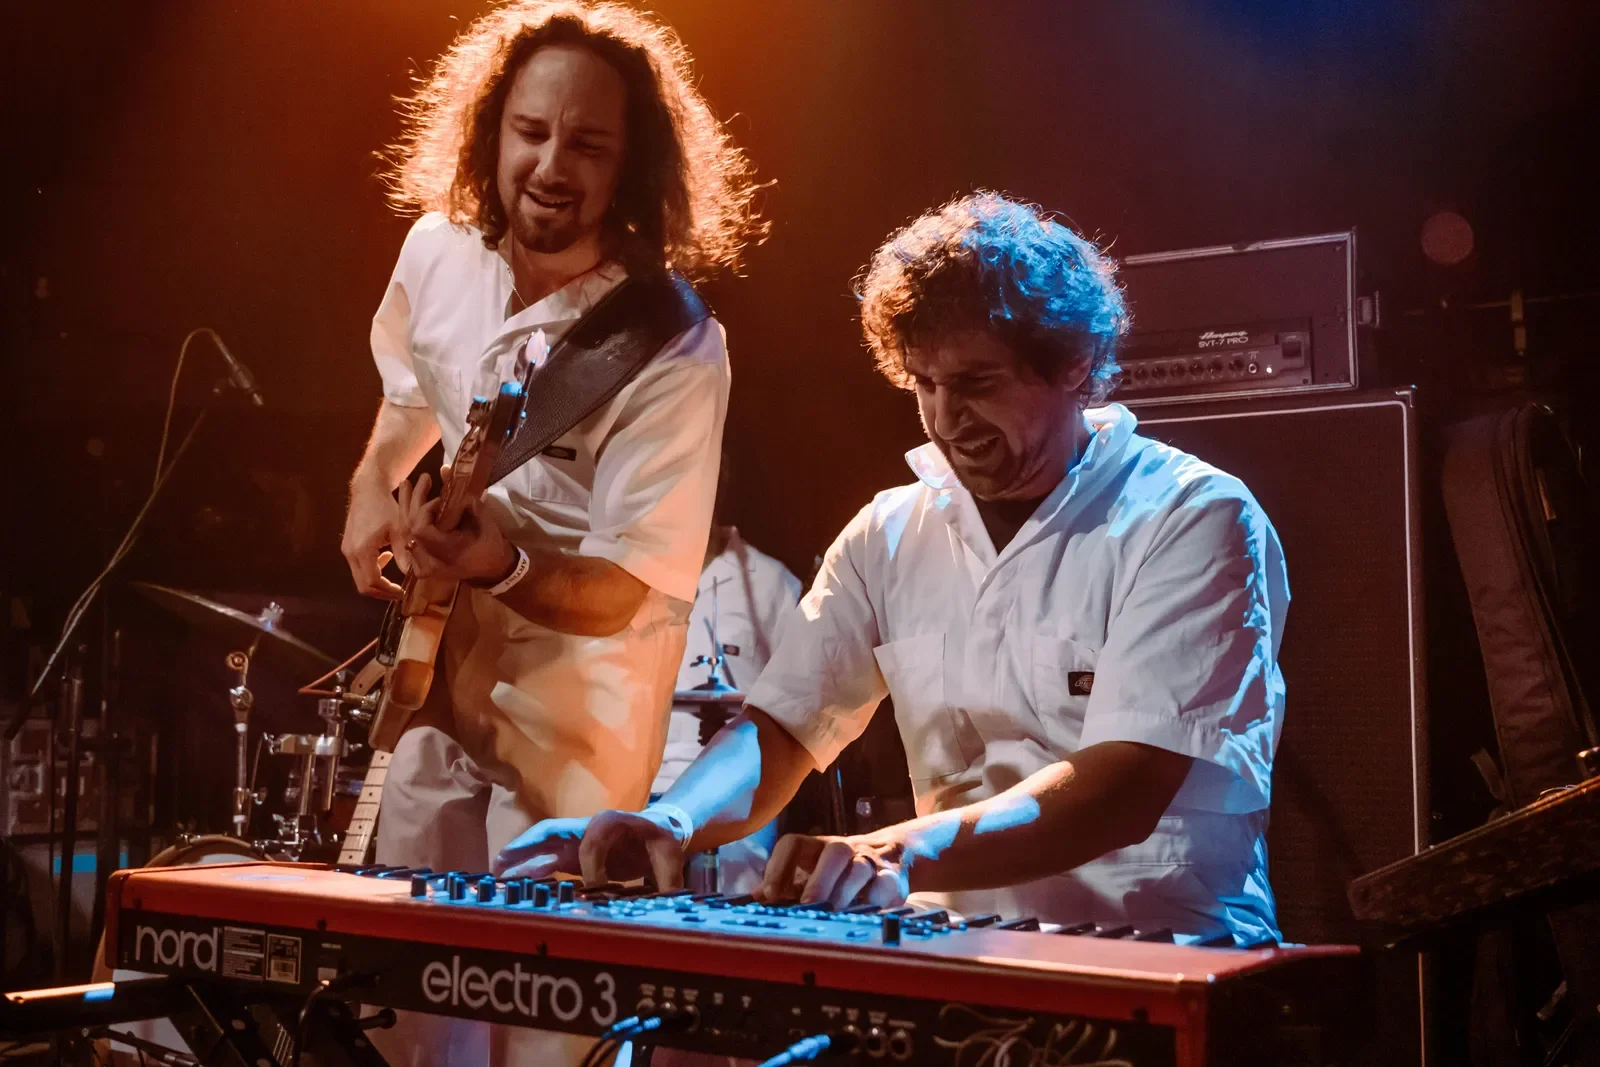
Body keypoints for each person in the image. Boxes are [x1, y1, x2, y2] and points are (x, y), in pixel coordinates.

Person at [497, 191, 1287, 950]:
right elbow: (781, 727)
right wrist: (672, 819)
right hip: (958, 958)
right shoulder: (889, 532)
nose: (945, 418)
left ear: (1074, 363)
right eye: (925, 385)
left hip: (1166, 957)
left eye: (977, 383)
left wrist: (892, 851)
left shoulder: (1193, 517)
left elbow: (1120, 788)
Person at [337, 2, 762, 1063]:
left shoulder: (670, 344)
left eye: (587, 143)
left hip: (578, 711)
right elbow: (410, 395)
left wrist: (505, 561)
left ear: (633, 165)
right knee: (412, 1009)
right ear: (491, 131)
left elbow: (628, 585)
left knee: (541, 1030)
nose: (549, 164)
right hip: (435, 672)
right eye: (530, 131)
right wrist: (368, 495)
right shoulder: (437, 248)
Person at [654, 510, 802, 895]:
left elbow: (803, 695)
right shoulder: (642, 573)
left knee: (738, 902)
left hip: (743, 785)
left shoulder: (773, 583)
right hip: (649, 777)